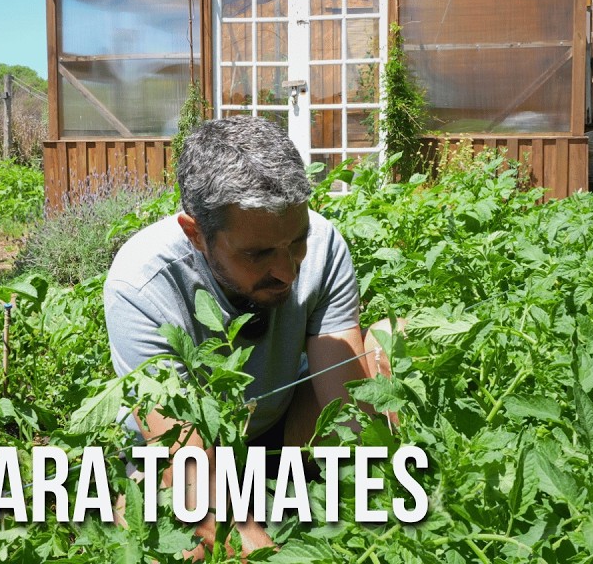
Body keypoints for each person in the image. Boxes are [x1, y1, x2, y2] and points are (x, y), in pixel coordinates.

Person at [103, 116, 389, 556]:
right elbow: (187, 469)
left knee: (385, 344)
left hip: (279, 431)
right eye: (257, 254)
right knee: (186, 547)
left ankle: (282, 493)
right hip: (182, 449)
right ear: (196, 234)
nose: (287, 271)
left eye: (296, 242)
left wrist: (383, 515)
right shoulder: (141, 284)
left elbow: (349, 409)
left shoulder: (324, 245)